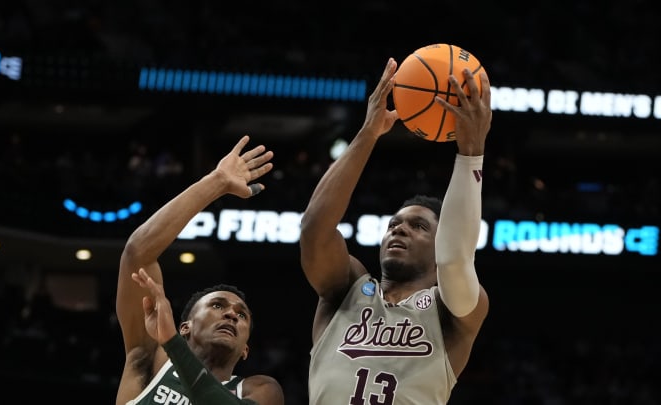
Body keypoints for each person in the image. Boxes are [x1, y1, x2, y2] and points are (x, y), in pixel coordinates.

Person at [299, 57, 492, 404]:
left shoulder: (454, 310)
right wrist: (368, 132)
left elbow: (454, 261)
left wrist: (471, 155)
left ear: (440, 243)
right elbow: (315, 228)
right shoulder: (346, 290)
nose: (399, 230)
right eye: (393, 225)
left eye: (418, 226)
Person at [116, 135, 284, 405]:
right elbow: (137, 253)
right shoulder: (149, 361)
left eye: (242, 316)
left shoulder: (260, 390)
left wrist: (171, 342)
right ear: (185, 327)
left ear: (245, 350)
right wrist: (216, 182)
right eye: (217, 306)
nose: (231, 313)